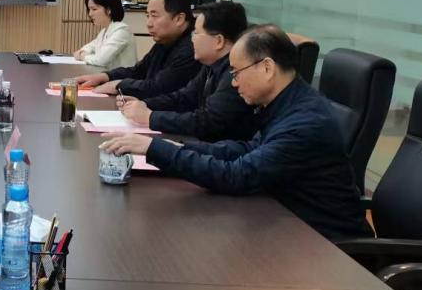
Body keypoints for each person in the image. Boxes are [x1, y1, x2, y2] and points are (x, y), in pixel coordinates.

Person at [100, 24, 372, 242]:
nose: (233, 82)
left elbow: (238, 175)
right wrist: (176, 147)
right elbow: (246, 150)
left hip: (327, 249)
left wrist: (155, 150)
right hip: (288, 226)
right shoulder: (287, 103)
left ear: (267, 68)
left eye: (236, 72)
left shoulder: (304, 123)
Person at [116, 1, 261, 142]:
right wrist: (144, 104)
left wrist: (150, 117)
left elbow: (207, 121)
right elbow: (184, 98)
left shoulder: (234, 73)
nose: (192, 40)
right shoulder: (211, 65)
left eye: (196, 33)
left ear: (219, 41)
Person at [77, 0, 199, 97]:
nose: (149, 24)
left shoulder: (192, 48)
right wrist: (105, 76)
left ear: (179, 19)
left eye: (154, 16)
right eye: (148, 16)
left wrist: (119, 85)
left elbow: (159, 87)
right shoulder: (165, 41)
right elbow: (139, 71)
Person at [71, 0, 137, 71]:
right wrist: (83, 53)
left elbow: (100, 60)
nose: (90, 14)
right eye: (89, 9)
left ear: (109, 10)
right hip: (109, 76)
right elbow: (88, 48)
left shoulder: (122, 30)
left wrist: (83, 56)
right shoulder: (104, 31)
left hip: (122, 78)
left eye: (94, 9)